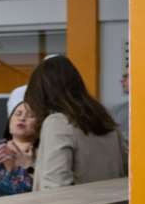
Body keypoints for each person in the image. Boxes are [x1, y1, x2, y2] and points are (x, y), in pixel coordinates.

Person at [25, 55, 127, 192]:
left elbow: (55, 187)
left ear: (42, 92)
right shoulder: (105, 119)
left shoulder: (57, 123)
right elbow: (126, 171)